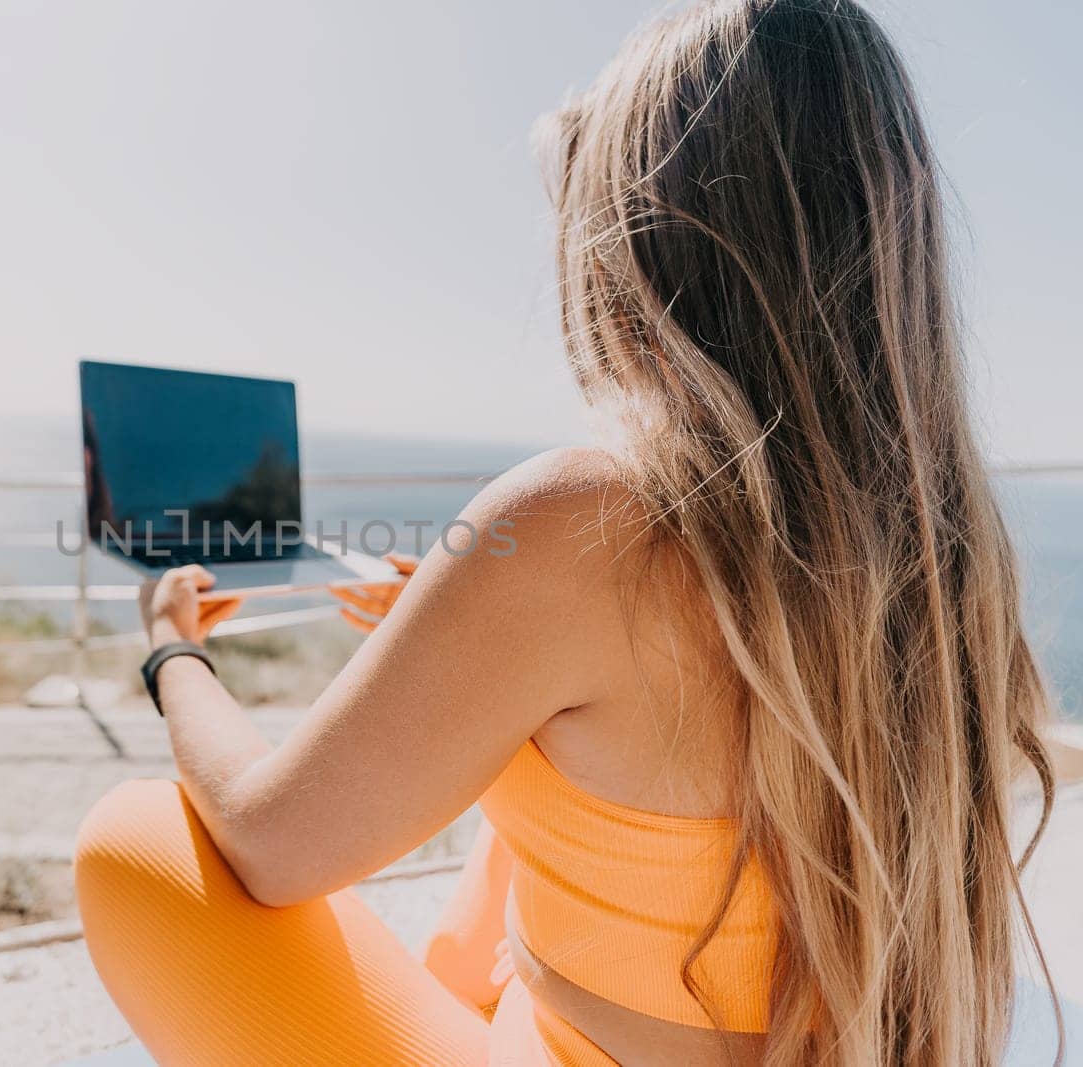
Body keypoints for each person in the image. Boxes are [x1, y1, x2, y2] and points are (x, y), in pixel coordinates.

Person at [72, 0, 1060, 1063]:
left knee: (133, 838)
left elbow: (271, 842)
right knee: (532, 781)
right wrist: (451, 628)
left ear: (632, 233)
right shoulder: (944, 544)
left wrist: (174, 650)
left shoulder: (590, 517)